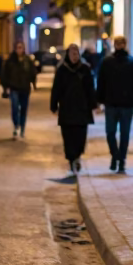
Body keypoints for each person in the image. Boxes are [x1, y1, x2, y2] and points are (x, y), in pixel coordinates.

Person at [95, 35, 133, 173]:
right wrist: (98, 101)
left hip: (126, 104)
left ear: (125, 44)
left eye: (121, 43)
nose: (119, 45)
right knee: (110, 133)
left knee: (124, 134)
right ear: (114, 45)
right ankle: (116, 156)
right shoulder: (107, 62)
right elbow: (101, 83)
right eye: (117, 43)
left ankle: (121, 160)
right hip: (111, 104)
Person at [50, 43, 97, 172]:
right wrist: (54, 106)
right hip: (67, 109)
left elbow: (90, 89)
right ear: (68, 55)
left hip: (82, 109)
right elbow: (56, 89)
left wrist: (94, 104)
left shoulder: (85, 69)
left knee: (81, 136)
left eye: (76, 54)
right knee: (68, 136)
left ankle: (77, 156)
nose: (74, 57)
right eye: (72, 54)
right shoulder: (62, 70)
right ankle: (72, 159)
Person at [0, 40, 37, 139]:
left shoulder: (28, 60)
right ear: (15, 49)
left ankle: (22, 128)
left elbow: (33, 72)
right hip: (14, 88)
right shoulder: (10, 61)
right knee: (15, 108)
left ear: (24, 48)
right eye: (18, 47)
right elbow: (4, 74)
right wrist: (5, 87)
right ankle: (16, 126)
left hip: (25, 88)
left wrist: (33, 83)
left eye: (21, 47)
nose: (19, 49)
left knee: (24, 109)